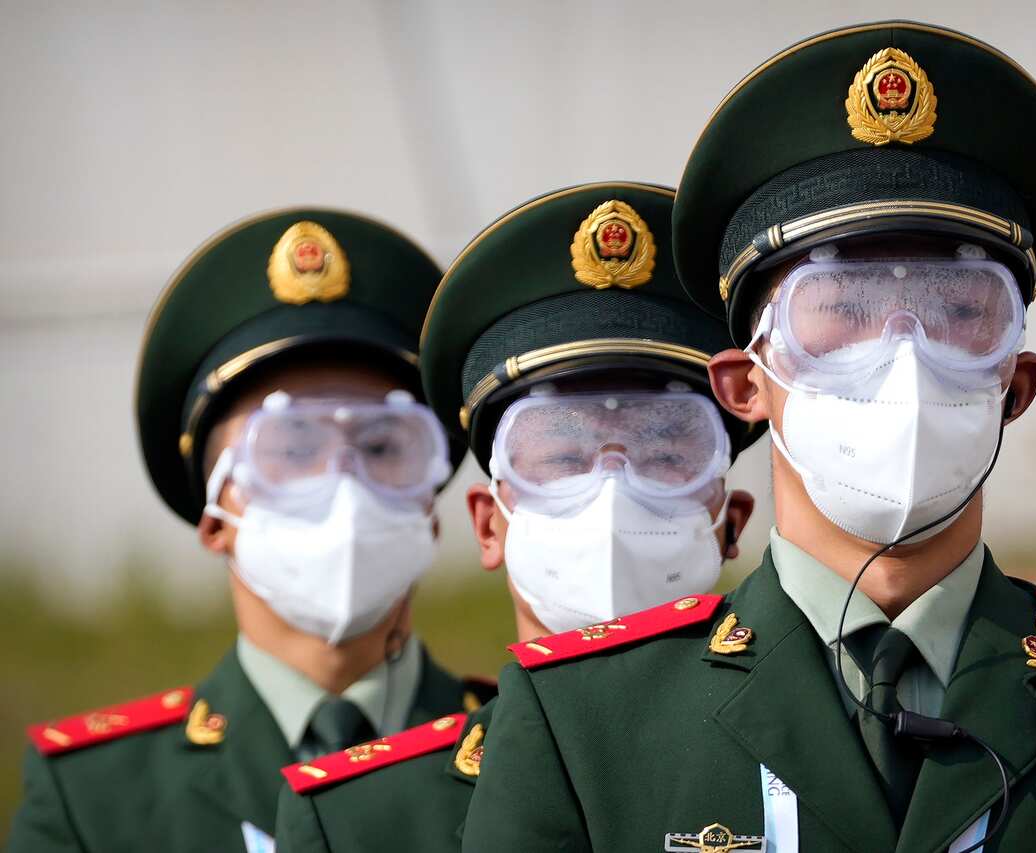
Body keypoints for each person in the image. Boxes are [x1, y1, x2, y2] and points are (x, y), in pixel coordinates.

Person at [460, 22, 1036, 853]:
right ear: (746, 388)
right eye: (840, 312)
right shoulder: (585, 721)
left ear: (1016, 385)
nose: (904, 356)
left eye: (960, 312)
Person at [273, 182, 759, 852]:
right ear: (489, 523)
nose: (611, 491)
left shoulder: (816, 766)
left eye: (665, 451)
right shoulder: (362, 824)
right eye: (560, 456)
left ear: (731, 520)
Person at [10, 209, 492, 852]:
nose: (343, 485)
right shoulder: (99, 798)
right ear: (215, 517)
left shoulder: (527, 758)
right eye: (290, 449)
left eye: (383, 446)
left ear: (428, 504)